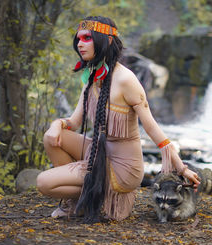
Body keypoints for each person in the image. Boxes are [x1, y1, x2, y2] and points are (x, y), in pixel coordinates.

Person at [36, 16, 200, 223]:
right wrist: (55, 126)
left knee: (43, 182)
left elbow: (151, 126)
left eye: (87, 38)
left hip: (123, 168)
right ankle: (78, 204)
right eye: (78, 39)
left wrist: (182, 168)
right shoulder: (91, 77)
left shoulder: (126, 79)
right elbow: (74, 122)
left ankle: (87, 199)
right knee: (51, 138)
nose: (80, 43)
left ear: (107, 41)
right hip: (100, 154)